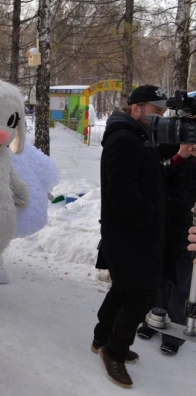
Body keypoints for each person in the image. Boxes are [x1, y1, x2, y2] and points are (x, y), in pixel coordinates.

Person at [92, 85, 173, 388]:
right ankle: (114, 350)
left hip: (131, 233)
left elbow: (149, 160)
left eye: (163, 112)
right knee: (142, 294)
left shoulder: (136, 136)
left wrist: (178, 151)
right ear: (136, 109)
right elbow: (121, 191)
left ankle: (101, 338)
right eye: (156, 111)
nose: (159, 118)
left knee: (124, 288)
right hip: (130, 234)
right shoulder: (124, 139)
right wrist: (149, 218)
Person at [135, 143, 196, 355]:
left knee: (181, 281)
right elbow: (156, 176)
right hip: (164, 222)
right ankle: (152, 319)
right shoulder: (171, 140)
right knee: (157, 276)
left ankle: (175, 334)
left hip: (191, 227)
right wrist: (179, 156)